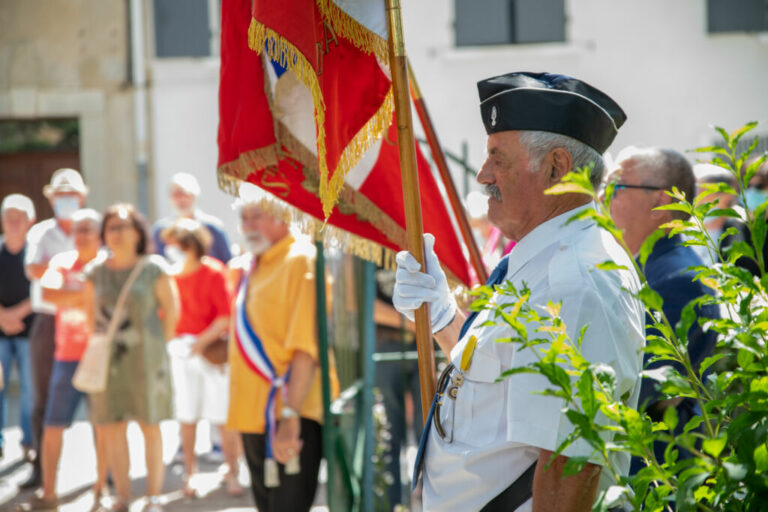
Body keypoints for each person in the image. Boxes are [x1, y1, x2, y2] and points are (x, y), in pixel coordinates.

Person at [393, 72, 645, 511]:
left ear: (556, 167)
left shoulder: (577, 279)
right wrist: (441, 315)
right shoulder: (544, 259)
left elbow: (571, 465)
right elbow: (500, 378)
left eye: (498, 158)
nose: (482, 175)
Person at [606, 147, 721, 474]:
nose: (604, 196)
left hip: (653, 472)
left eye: (618, 186)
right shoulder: (649, 266)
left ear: (658, 203)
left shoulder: (677, 280)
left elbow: (636, 389)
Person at [226, 186, 338, 512]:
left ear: (283, 216)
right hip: (254, 413)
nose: (247, 225)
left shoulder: (301, 258)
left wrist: (290, 415)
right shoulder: (254, 264)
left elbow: (305, 347)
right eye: (243, 218)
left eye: (255, 216)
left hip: (291, 411)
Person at [83, 204, 178, 512]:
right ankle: (122, 497)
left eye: (124, 226)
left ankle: (153, 496)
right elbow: (89, 319)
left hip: (146, 362)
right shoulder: (95, 273)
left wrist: (154, 347)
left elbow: (172, 313)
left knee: (150, 426)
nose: (117, 233)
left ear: (138, 232)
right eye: (111, 227)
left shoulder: (153, 268)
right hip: (109, 366)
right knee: (112, 428)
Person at [20, 209, 108, 511]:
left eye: (89, 229)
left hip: (99, 355)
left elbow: (102, 299)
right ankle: (49, 492)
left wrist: (72, 293)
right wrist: (86, 294)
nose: (82, 234)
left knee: (103, 424)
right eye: (79, 229)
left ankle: (101, 489)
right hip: (66, 355)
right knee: (53, 423)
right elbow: (48, 295)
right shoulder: (60, 262)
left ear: (100, 234)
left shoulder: (108, 265)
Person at [161, 219, 242, 497]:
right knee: (187, 413)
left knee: (223, 415)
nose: (170, 248)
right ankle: (190, 475)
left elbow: (224, 316)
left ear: (190, 245)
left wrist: (200, 343)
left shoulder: (214, 272)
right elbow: (165, 316)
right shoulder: (169, 276)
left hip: (212, 353)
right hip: (182, 355)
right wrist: (176, 343)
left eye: (175, 243)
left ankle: (233, 472)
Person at [23, 168, 87, 488]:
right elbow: (33, 269)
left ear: (82, 197)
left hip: (87, 321)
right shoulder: (40, 233)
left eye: (71, 194)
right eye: (60, 195)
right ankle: (42, 471)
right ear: (50, 198)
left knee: (99, 396)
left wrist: (62, 272)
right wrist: (70, 268)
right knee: (43, 397)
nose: (66, 200)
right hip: (49, 321)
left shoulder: (91, 226)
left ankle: (109, 472)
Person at [0, 194, 36, 461]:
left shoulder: (36, 252)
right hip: (0, 331)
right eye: (8, 216)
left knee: (29, 390)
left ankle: (29, 442)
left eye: (19, 216)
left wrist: (16, 314)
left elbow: (43, 288)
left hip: (29, 332)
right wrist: (2, 316)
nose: (13, 222)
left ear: (30, 221)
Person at [152, 172, 232, 264]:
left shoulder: (213, 227)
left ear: (195, 195)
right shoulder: (161, 230)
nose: (181, 199)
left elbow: (227, 263)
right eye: (176, 194)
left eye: (185, 193)